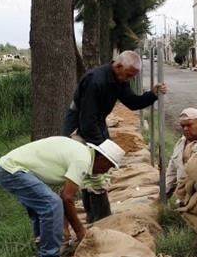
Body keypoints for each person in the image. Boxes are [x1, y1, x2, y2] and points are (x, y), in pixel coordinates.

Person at [63, 50, 167, 223]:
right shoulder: (95, 80)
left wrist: (152, 95)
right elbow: (87, 119)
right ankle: (101, 219)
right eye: (127, 75)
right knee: (93, 173)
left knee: (94, 173)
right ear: (118, 66)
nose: (128, 79)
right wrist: (102, 149)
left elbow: (132, 102)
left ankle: (94, 217)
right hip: (78, 126)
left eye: (132, 77)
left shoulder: (120, 79)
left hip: (96, 121)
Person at [0, 137, 124, 257]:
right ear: (102, 159)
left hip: (12, 168)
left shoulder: (82, 153)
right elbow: (67, 197)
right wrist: (80, 231)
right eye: (109, 166)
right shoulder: (82, 161)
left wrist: (65, 228)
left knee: (47, 206)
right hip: (12, 169)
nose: (106, 171)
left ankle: (43, 245)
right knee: (51, 205)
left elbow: (64, 195)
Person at [166, 107, 197, 197]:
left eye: (189, 125)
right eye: (182, 126)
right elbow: (172, 169)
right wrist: (165, 192)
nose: (185, 129)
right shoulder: (181, 142)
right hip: (182, 193)